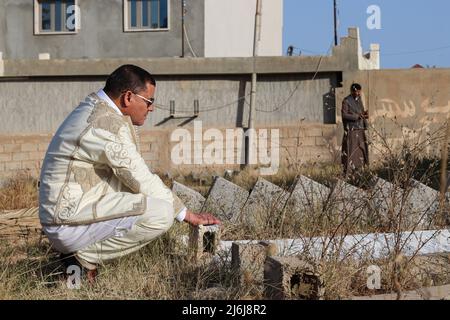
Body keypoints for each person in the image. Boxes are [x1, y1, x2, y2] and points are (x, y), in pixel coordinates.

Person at [38, 64, 220, 280]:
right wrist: (187, 214)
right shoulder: (104, 124)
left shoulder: (98, 109)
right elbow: (139, 176)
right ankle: (81, 258)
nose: (151, 108)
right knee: (161, 214)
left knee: (140, 196)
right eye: (149, 101)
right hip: (68, 221)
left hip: (72, 212)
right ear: (128, 98)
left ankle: (78, 260)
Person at [341, 83, 369, 176]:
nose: (359, 93)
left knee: (362, 150)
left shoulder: (359, 100)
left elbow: (361, 112)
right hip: (352, 130)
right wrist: (357, 116)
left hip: (360, 128)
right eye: (357, 91)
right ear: (353, 91)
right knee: (351, 151)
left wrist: (364, 116)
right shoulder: (346, 101)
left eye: (359, 91)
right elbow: (344, 115)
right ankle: (349, 173)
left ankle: (360, 171)